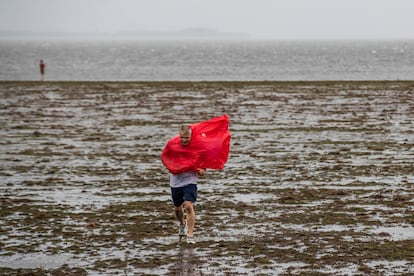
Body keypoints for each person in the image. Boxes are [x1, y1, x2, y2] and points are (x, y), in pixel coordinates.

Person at [169, 125, 205, 244]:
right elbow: (167, 160)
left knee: (189, 206)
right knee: (178, 208)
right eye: (182, 137)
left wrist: (202, 170)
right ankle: (181, 224)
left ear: (191, 136)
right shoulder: (173, 147)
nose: (184, 140)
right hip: (176, 181)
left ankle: (190, 235)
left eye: (187, 137)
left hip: (190, 180)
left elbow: (203, 164)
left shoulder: (197, 147)